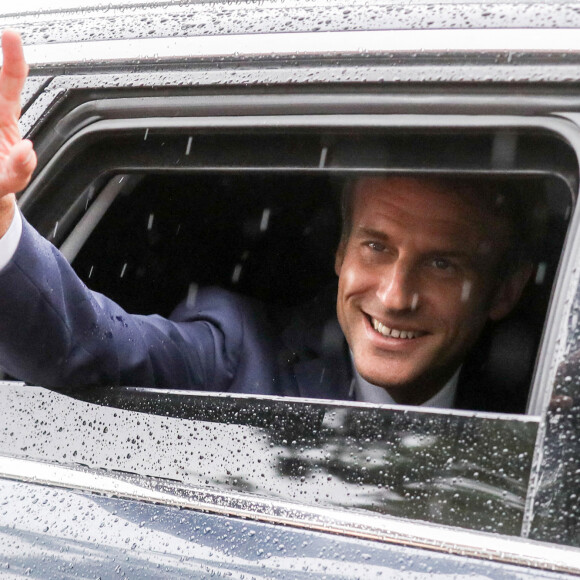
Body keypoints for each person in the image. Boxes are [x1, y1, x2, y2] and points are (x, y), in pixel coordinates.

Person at [0, 31, 533, 411]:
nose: (396, 296)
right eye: (376, 247)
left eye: (441, 263)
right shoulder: (240, 353)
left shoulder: (544, 398)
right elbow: (88, 346)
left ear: (504, 290)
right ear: (340, 252)